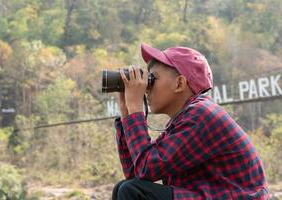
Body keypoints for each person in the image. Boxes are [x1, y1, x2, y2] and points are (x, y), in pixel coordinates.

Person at [112, 43, 269, 200]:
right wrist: (127, 113)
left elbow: (145, 169)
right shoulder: (182, 121)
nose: (146, 88)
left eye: (152, 79)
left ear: (180, 83)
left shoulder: (202, 114)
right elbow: (136, 173)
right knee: (123, 188)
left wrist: (135, 109)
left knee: (131, 190)